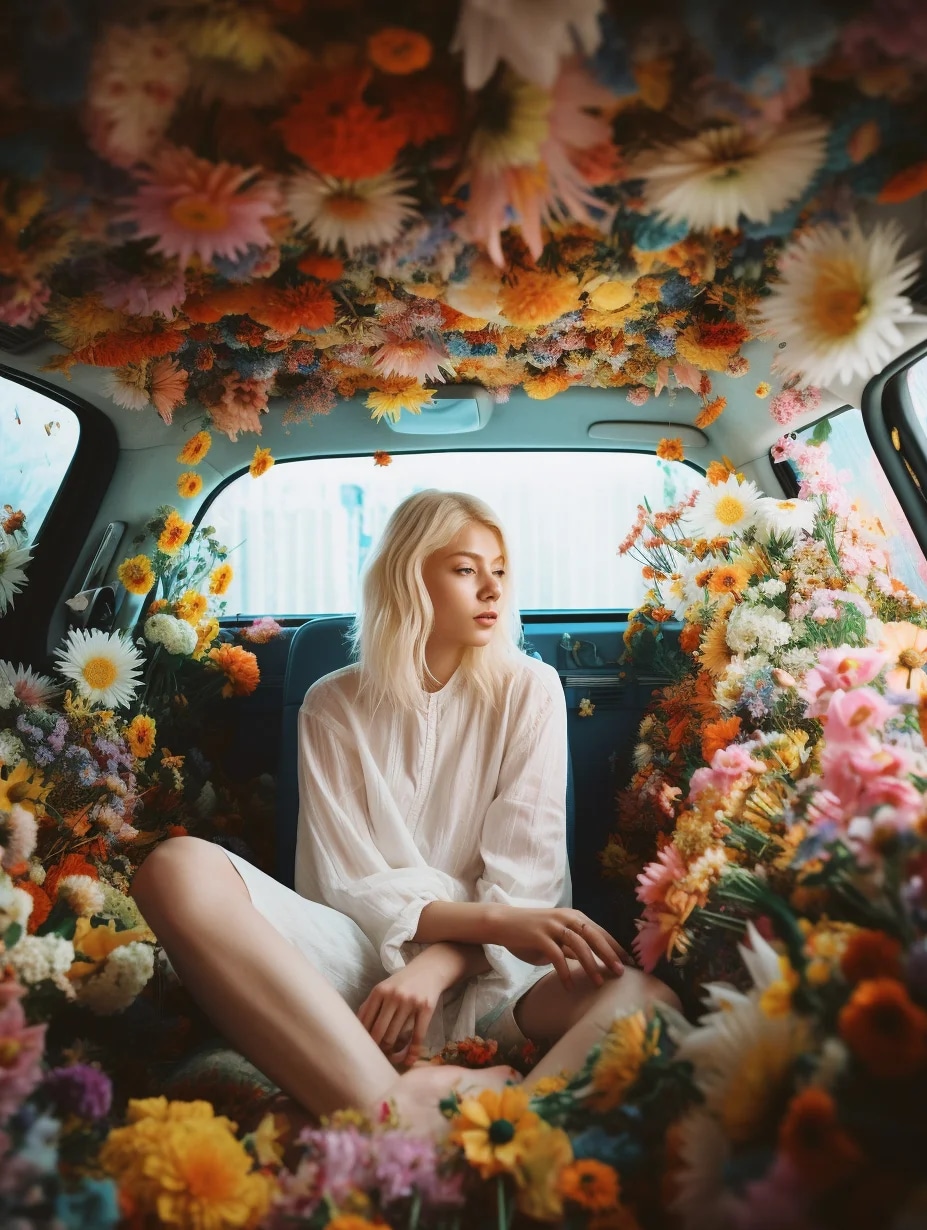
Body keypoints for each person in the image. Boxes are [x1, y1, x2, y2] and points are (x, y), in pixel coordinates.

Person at [132, 490, 677, 1131]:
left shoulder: (530, 690)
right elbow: (344, 884)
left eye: (499, 570)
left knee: (647, 1000)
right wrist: (426, 955)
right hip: (361, 967)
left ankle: (502, 1128)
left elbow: (526, 894)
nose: (491, 590)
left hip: (501, 977)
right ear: (409, 574)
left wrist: (440, 963)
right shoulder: (330, 704)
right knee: (174, 868)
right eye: (466, 569)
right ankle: (391, 1111)